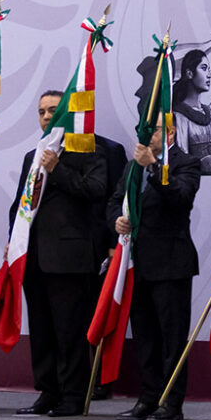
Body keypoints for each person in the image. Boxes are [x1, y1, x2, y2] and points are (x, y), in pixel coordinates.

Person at [9, 90, 107, 418]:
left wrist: (59, 168)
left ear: (66, 114)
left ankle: (73, 395)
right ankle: (48, 391)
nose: (47, 117)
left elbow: (96, 190)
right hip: (34, 257)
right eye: (42, 112)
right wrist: (14, 237)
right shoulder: (32, 155)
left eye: (53, 110)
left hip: (69, 259)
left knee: (69, 331)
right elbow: (21, 203)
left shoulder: (87, 150)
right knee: (42, 330)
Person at [109, 113, 201, 420]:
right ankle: (147, 398)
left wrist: (152, 165)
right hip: (139, 262)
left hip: (172, 262)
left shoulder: (186, 162)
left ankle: (171, 401)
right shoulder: (132, 166)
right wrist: (116, 220)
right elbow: (115, 200)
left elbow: (180, 197)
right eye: (145, 130)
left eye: (156, 130)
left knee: (171, 337)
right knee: (146, 336)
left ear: (172, 132)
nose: (149, 135)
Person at [88, 132, 127, 401]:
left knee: (100, 311)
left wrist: (114, 242)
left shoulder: (109, 149)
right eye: (42, 112)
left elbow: (117, 199)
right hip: (63, 249)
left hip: (102, 247)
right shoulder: (42, 151)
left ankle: (101, 378)